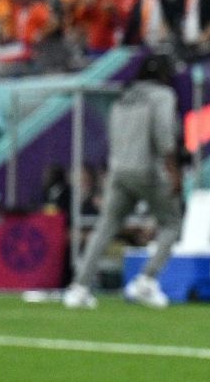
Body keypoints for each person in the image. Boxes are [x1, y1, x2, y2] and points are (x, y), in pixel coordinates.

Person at [62, 54, 185, 309]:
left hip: (118, 169)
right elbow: (164, 135)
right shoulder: (162, 95)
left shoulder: (123, 96)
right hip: (148, 169)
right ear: (164, 75)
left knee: (106, 226)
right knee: (172, 222)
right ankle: (146, 281)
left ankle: (79, 287)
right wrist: (174, 172)